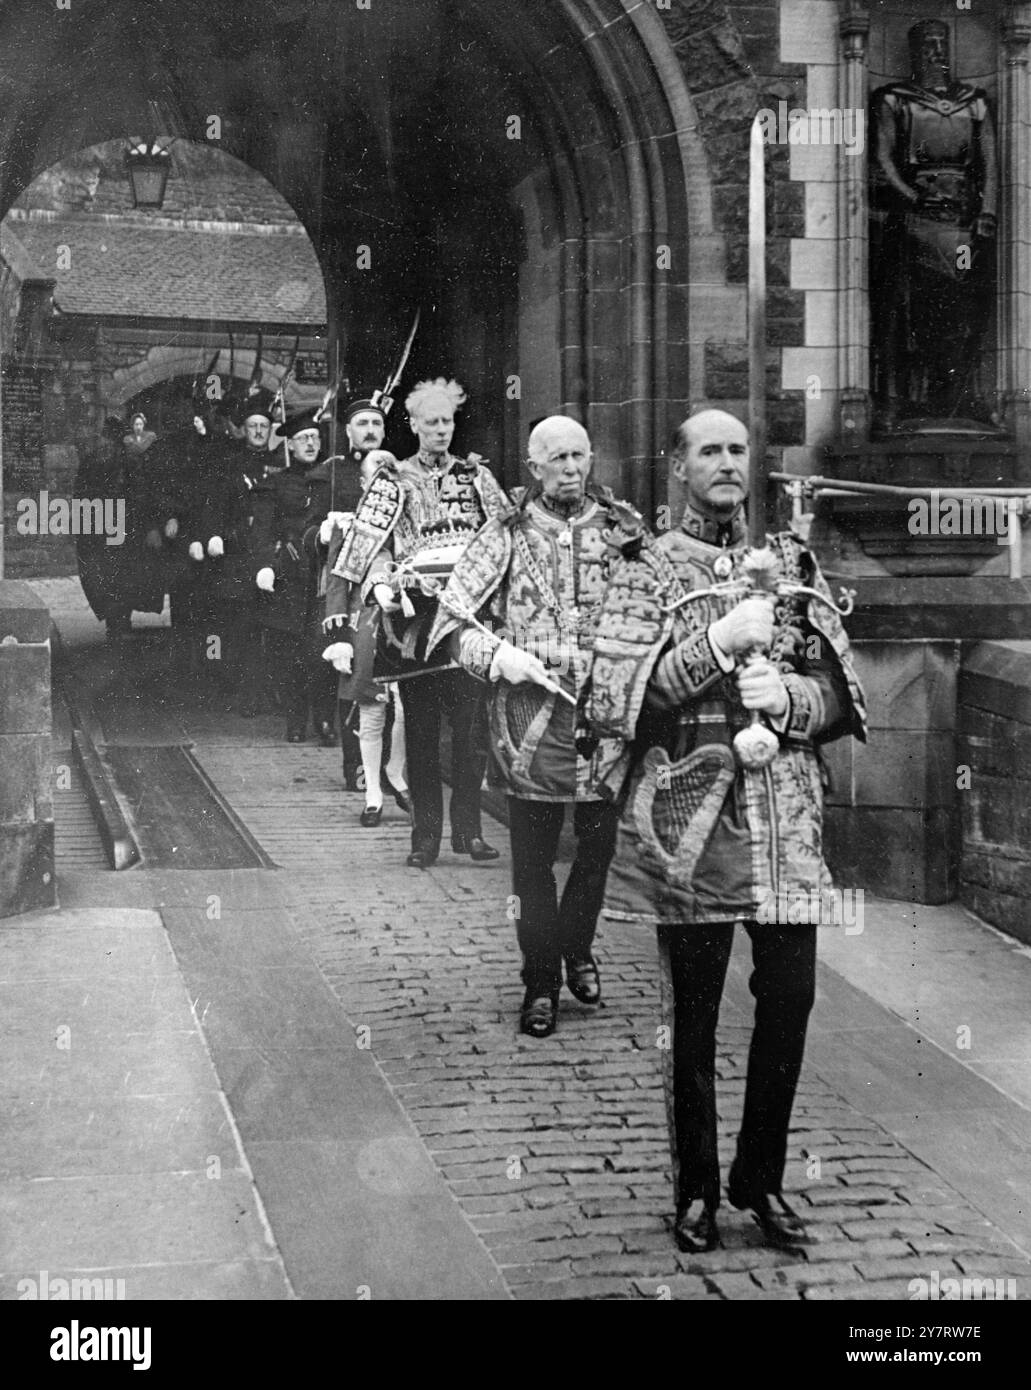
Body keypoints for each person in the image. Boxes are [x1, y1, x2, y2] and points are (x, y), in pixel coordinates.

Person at [587, 408, 866, 1253]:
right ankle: (698, 1192)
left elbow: (838, 692)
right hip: (692, 827)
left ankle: (761, 1180)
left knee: (789, 1001)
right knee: (694, 1021)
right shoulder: (640, 568)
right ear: (675, 467)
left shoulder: (790, 563)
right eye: (708, 450)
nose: (725, 464)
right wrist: (713, 640)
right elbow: (615, 699)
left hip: (783, 824)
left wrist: (791, 702)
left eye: (737, 450)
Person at [430, 416, 640, 1037]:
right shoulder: (505, 533)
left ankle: (577, 945)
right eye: (559, 459)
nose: (572, 468)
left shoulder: (624, 528)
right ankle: (541, 979)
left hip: (604, 716)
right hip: (529, 719)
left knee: (599, 846)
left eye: (580, 456)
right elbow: (448, 623)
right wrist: (497, 657)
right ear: (533, 466)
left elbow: (661, 609)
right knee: (532, 861)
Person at [330, 376, 508, 868]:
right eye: (432, 423)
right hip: (413, 625)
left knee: (471, 734)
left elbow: (505, 538)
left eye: (447, 421)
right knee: (423, 735)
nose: (441, 431)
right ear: (413, 425)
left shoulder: (476, 477)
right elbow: (372, 545)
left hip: (468, 617)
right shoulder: (394, 480)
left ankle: (468, 832)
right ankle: (425, 838)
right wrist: (381, 583)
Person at [871, 19, 998, 422]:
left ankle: (958, 397)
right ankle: (898, 400)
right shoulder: (894, 99)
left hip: (960, 228)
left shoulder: (974, 102)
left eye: (941, 44)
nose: (936, 52)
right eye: (928, 45)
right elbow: (883, 157)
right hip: (913, 225)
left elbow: (989, 166)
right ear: (915, 52)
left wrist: (987, 212)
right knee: (907, 310)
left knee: (959, 305)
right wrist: (912, 197)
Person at [323, 446, 410, 824]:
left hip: (407, 618)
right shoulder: (349, 524)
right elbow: (337, 583)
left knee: (408, 707)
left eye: (391, 468)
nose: (385, 476)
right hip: (366, 623)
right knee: (372, 709)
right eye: (376, 471)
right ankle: (372, 792)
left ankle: (395, 770)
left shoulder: (411, 518)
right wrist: (338, 634)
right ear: (362, 483)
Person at [253, 409, 336, 743]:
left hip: (323, 576)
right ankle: (296, 719)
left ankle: (326, 720)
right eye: (304, 439)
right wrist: (263, 565)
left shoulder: (330, 480)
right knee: (291, 654)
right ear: (290, 444)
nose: (311, 444)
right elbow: (261, 530)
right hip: (289, 577)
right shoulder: (275, 484)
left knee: (324, 649)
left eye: (315, 438)